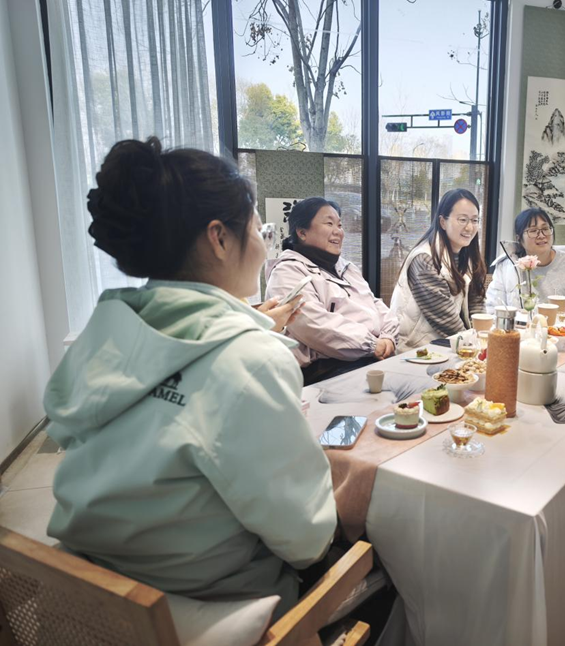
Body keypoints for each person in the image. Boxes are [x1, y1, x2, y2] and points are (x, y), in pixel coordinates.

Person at [44, 137, 337, 619]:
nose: (263, 244)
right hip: (206, 609)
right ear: (219, 238)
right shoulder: (250, 359)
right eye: (257, 229)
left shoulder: (105, 335)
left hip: (87, 597)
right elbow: (307, 539)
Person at [265, 197, 399, 385]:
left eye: (340, 225)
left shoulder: (347, 267)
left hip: (370, 356)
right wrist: (372, 344)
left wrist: (388, 337)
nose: (338, 231)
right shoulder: (287, 271)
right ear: (302, 232)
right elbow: (314, 325)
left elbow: (375, 304)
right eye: (329, 224)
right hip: (328, 369)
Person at [390, 188, 487, 352]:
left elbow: (476, 305)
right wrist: (476, 346)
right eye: (463, 220)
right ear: (442, 222)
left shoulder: (467, 258)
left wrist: (481, 337)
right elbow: (446, 320)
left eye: (474, 220)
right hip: (416, 351)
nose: (470, 227)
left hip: (447, 347)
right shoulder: (424, 260)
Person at [485, 207, 565, 315]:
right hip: (520, 333)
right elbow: (491, 308)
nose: (541, 235)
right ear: (519, 239)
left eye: (545, 229)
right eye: (533, 231)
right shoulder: (507, 267)